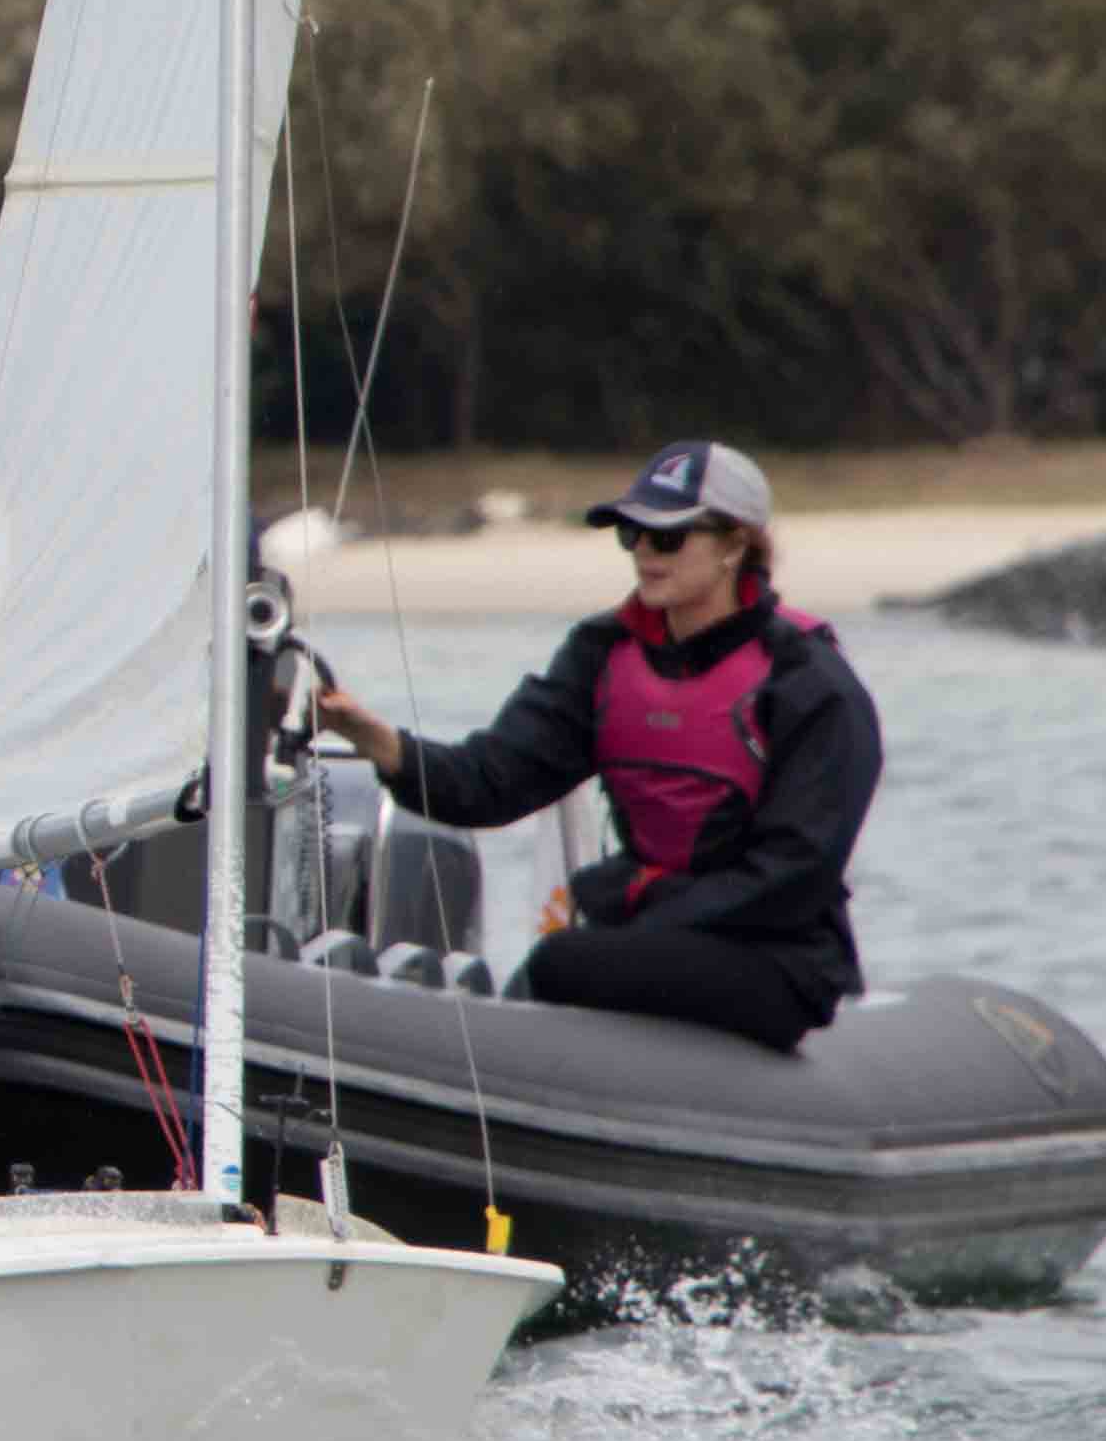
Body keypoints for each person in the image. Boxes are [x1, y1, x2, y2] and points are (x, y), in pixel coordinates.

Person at [301, 436, 876, 1051]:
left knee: (560, 965)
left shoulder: (809, 684)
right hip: (650, 935)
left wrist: (646, 912)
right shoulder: (602, 656)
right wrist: (379, 743)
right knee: (554, 967)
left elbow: (793, 875)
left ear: (736, 543)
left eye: (669, 538)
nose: (645, 555)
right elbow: (491, 781)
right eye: (632, 535)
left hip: (778, 955)